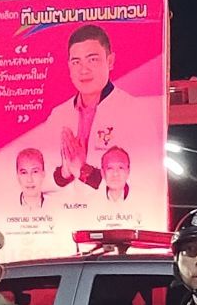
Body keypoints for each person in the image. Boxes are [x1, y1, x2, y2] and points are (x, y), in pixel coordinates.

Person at [46, 23, 151, 188]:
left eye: (92, 60)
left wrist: (82, 169)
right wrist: (65, 172)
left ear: (110, 61)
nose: (83, 70)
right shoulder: (58, 115)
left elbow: (141, 179)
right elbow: (43, 177)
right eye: (76, 62)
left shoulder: (134, 111)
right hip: (64, 205)